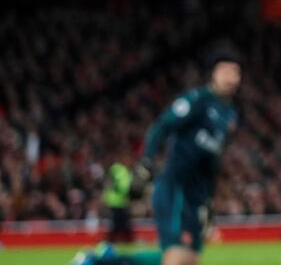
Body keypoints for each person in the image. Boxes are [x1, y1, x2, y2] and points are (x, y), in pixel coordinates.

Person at [70, 49, 242, 265]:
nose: (230, 76)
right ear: (212, 73)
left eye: (235, 71)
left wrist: (208, 200)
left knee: (188, 260)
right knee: (177, 259)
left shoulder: (231, 115)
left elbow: (212, 162)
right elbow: (161, 127)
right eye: (224, 70)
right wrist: (146, 162)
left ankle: (105, 260)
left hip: (195, 196)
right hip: (175, 189)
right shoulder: (197, 100)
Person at [102, 154, 134, 244]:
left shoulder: (114, 169)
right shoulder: (123, 171)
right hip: (119, 201)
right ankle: (114, 241)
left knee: (120, 222)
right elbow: (124, 187)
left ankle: (117, 240)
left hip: (113, 200)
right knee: (119, 223)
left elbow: (108, 183)